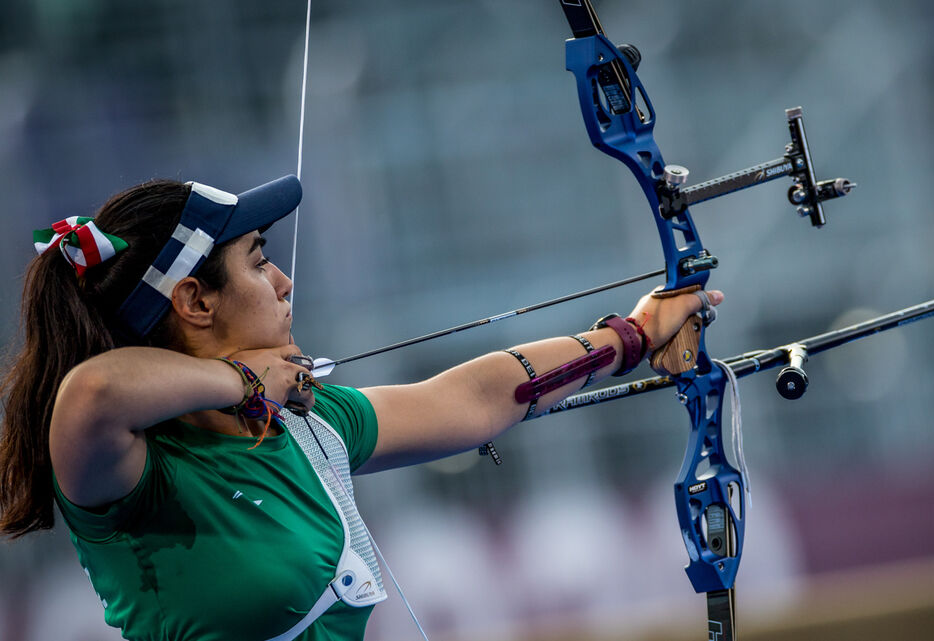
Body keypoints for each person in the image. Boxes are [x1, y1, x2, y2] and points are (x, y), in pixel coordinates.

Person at [0, 175, 722, 640]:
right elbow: (92, 392)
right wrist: (242, 381)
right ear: (193, 300)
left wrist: (630, 335)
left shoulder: (308, 427)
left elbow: (467, 400)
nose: (282, 281)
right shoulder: (127, 471)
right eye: (257, 259)